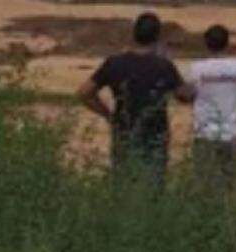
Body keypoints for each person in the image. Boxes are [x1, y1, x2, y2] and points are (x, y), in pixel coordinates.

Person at [77, 12, 193, 186]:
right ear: (157, 36)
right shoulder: (163, 66)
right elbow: (185, 95)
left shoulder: (114, 63)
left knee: (123, 182)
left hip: (123, 129)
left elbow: (85, 93)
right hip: (155, 134)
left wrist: (107, 114)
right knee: (153, 187)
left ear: (134, 34)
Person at [189, 24, 236, 186]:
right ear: (227, 43)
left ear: (206, 43)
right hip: (232, 132)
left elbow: (187, 93)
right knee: (231, 184)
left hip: (204, 133)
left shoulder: (196, 68)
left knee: (204, 184)